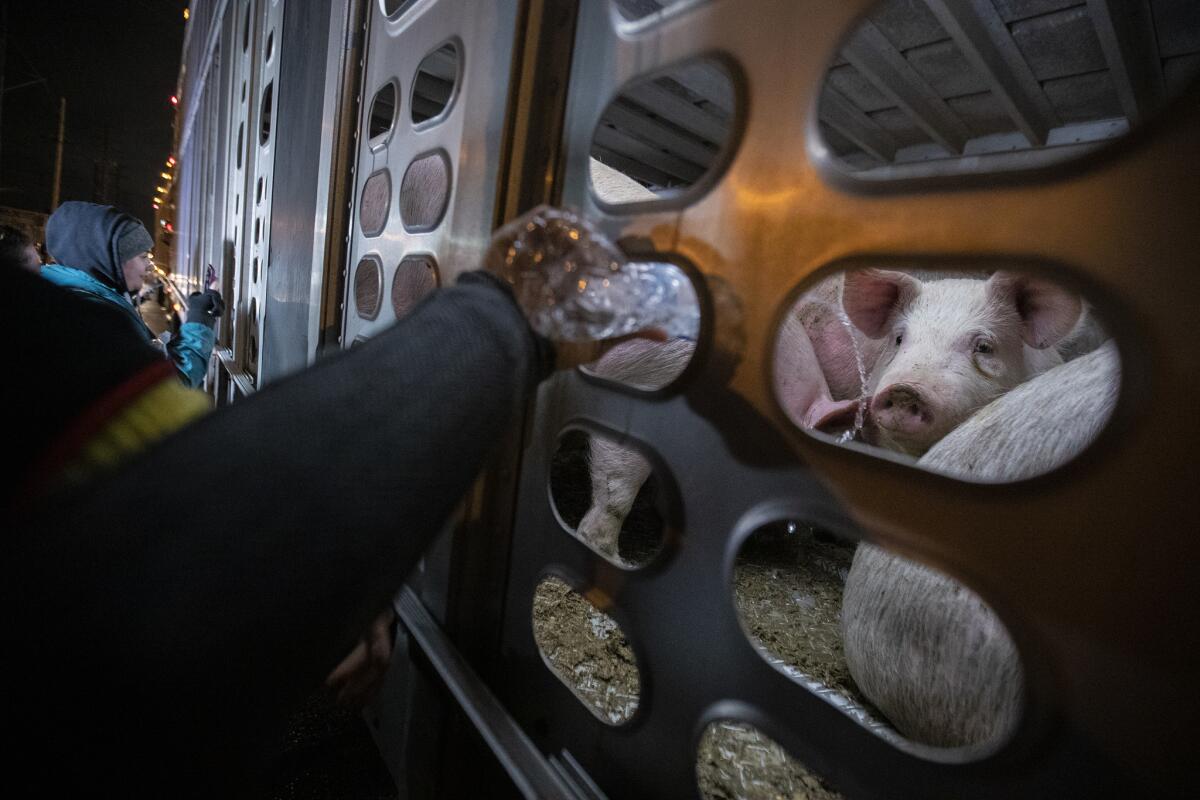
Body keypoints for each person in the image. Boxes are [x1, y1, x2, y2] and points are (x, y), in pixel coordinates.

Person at [7, 205, 641, 796]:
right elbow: (194, 529)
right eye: (138, 255)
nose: (149, 265)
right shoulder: (69, 326)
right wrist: (506, 317)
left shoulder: (79, 316)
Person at [40, 201, 223, 388]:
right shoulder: (94, 319)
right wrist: (199, 322)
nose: (150, 265)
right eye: (143, 256)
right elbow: (163, 388)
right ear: (111, 259)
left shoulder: (66, 299)